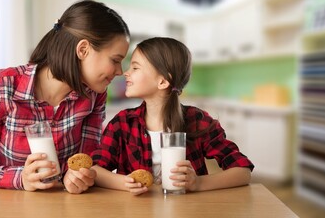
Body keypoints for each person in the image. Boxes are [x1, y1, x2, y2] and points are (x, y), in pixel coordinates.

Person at [0, 0, 130, 194]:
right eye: (115, 60)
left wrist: (76, 176)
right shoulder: (1, 87)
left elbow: (85, 160)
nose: (119, 71)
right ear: (83, 50)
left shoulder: (93, 96)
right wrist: (20, 178)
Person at [92, 37, 254, 195]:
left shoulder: (196, 120)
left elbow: (242, 171)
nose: (125, 73)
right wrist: (124, 183)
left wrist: (198, 183)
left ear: (162, 82)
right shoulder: (122, 123)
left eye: (135, 68)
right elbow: (94, 169)